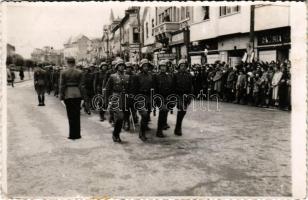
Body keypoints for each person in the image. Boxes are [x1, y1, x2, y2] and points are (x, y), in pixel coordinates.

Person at [60, 57, 84, 140]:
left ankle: (72, 135)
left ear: (67, 63)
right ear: (74, 63)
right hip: (77, 94)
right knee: (77, 115)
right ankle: (78, 134)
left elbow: (62, 85)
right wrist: (83, 97)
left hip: (68, 94)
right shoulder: (79, 72)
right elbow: (81, 86)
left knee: (70, 116)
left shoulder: (63, 72)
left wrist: (61, 97)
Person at [106, 59, 130, 143]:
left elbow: (129, 89)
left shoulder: (127, 76)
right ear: (117, 67)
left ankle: (116, 134)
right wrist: (107, 101)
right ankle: (115, 134)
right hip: (115, 98)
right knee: (120, 117)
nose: (121, 67)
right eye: (120, 65)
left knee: (122, 118)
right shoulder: (112, 76)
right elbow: (108, 90)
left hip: (125, 99)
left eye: (123, 65)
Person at [173, 59, 193, 136]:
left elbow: (191, 86)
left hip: (186, 95)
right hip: (178, 95)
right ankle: (178, 128)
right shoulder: (175, 75)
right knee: (182, 109)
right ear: (179, 66)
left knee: (183, 112)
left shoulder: (189, 75)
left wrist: (190, 96)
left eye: (184, 66)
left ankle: (178, 127)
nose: (183, 67)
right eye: (181, 65)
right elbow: (173, 86)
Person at [154, 60, 174, 138]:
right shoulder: (156, 76)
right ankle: (159, 131)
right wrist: (156, 99)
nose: (163, 68)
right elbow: (155, 88)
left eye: (164, 67)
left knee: (165, 112)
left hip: (167, 98)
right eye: (161, 67)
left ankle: (163, 126)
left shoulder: (169, 76)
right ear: (159, 68)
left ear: (166, 68)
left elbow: (171, 87)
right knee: (163, 111)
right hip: (159, 97)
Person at [136, 59, 155, 141]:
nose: (146, 67)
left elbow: (154, 86)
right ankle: (141, 133)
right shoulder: (137, 76)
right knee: (144, 114)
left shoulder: (151, 75)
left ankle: (145, 127)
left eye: (147, 66)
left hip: (149, 96)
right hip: (140, 96)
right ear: (141, 67)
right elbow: (134, 88)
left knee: (148, 113)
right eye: (144, 66)